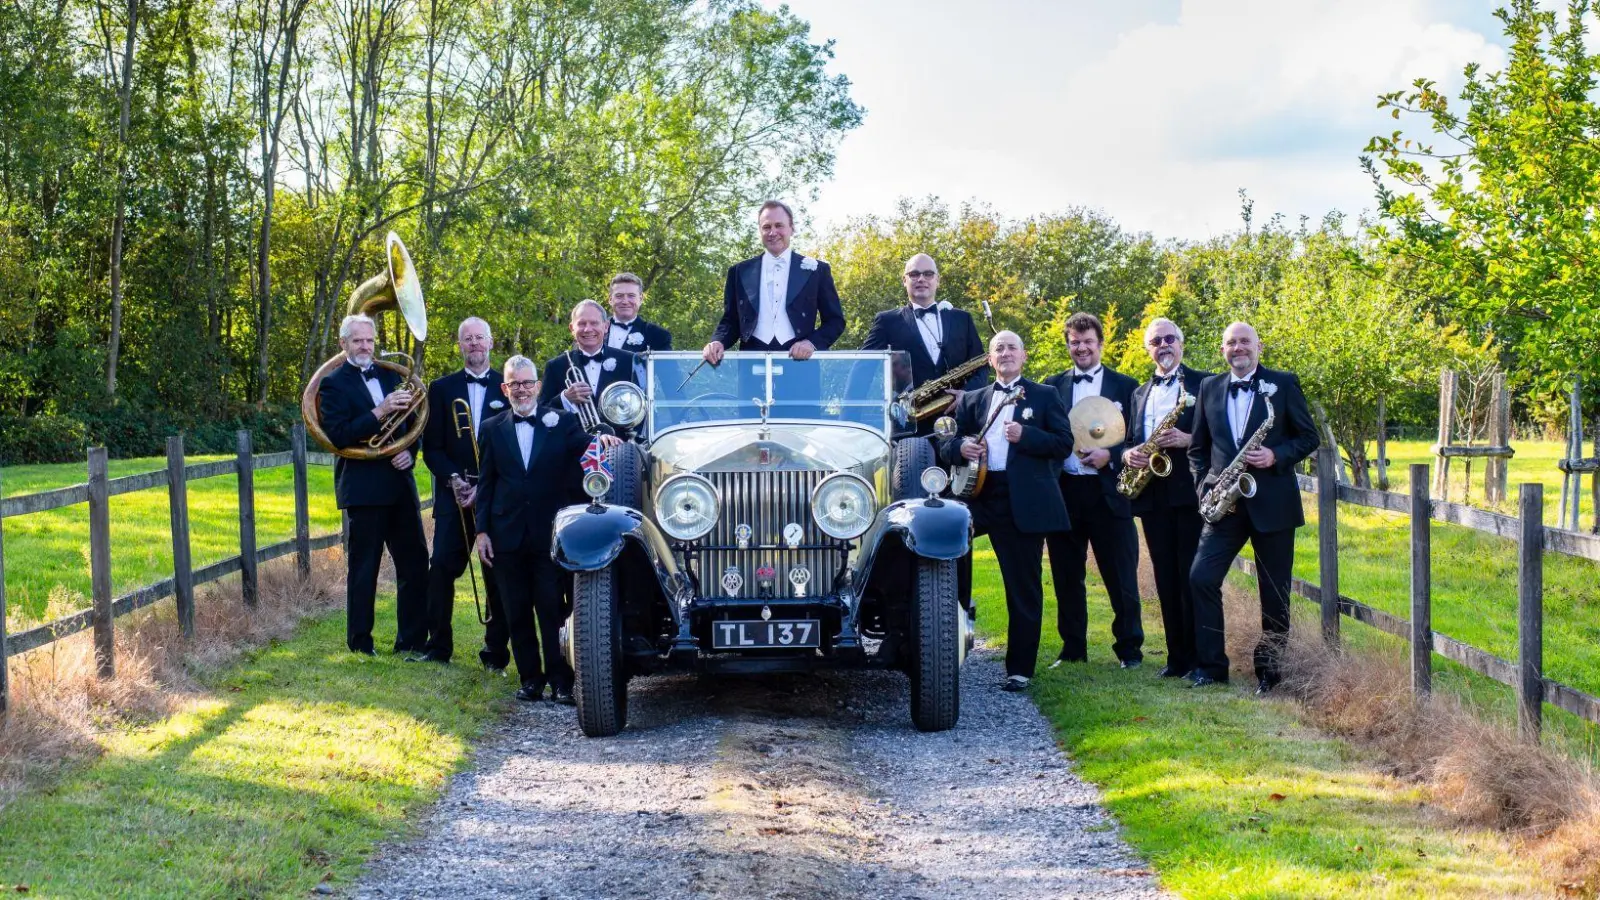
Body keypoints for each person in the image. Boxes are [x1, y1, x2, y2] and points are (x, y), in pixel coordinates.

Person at [475, 356, 619, 703]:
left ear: (538, 386)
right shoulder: (492, 427)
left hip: (550, 534)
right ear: (504, 388)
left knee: (553, 609)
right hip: (506, 534)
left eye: (527, 383)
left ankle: (562, 681)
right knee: (516, 609)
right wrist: (482, 532)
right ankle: (530, 680)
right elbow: (486, 482)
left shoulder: (563, 422)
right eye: (514, 384)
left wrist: (604, 443)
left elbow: (588, 446)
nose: (521, 390)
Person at [1186, 322, 1319, 694]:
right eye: (1231, 342)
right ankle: (1212, 667)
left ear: (1259, 346)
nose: (1238, 348)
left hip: (1273, 504)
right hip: (1224, 504)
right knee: (1201, 578)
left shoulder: (1284, 383)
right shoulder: (1208, 387)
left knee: (1274, 593)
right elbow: (1198, 449)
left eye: (1245, 341)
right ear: (1222, 349)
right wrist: (1203, 487)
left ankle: (1269, 672)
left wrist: (1276, 454)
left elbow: (1309, 437)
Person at [937, 331, 1072, 692]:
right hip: (977, 497)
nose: (1006, 353)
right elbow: (948, 443)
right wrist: (960, 447)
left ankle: (1019, 669)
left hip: (1022, 500)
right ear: (991, 360)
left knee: (1022, 587)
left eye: (1012, 347)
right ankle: (950, 647)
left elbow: (1063, 444)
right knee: (946, 566)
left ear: (1024, 356)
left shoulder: (1045, 395)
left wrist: (1025, 436)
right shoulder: (974, 400)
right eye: (999, 349)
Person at [317, 313, 430, 656]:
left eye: (369, 340)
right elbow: (337, 435)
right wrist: (380, 411)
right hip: (363, 488)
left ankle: (410, 641)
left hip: (399, 483)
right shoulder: (332, 384)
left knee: (414, 564)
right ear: (343, 344)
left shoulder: (389, 375)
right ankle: (360, 643)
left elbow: (414, 424)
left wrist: (410, 452)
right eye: (357, 341)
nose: (365, 346)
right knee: (364, 567)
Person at [1042, 312, 1144, 669]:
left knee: (1121, 574)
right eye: (1075, 342)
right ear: (1068, 345)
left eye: (1088, 341)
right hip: (1065, 492)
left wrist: (1111, 455)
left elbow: (1137, 438)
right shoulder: (1052, 386)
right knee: (1067, 576)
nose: (1081, 348)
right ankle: (1072, 650)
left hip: (1109, 492)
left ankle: (1130, 650)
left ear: (1101, 344)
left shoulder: (1127, 386)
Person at [416, 316, 509, 667]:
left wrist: (484, 485)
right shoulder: (440, 388)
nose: (474, 344)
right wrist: (454, 479)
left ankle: (495, 653)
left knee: (496, 574)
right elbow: (432, 448)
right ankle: (438, 647)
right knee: (440, 567)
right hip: (455, 494)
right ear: (460, 345)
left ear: (490, 342)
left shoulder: (507, 385)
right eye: (467, 339)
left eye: (479, 338)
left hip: (495, 495)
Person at [1122, 318, 1208, 679]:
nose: (1164, 345)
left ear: (1182, 344)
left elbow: (1221, 433)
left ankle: (1199, 658)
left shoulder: (1204, 383)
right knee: (1165, 577)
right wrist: (1129, 455)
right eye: (1156, 341)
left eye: (1170, 338)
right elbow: (1128, 439)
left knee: (1190, 576)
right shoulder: (1140, 393)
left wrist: (1189, 439)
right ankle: (1176, 660)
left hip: (1188, 493)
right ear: (1148, 349)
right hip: (1152, 494)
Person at [701, 200, 845, 364]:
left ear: (792, 228)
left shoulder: (817, 271)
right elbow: (730, 320)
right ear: (760, 230)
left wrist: (811, 343)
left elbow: (835, 321)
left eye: (779, 225)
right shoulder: (739, 272)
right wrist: (718, 341)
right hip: (752, 364)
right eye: (767, 227)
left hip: (801, 366)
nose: (773, 232)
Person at [861, 252, 989, 435]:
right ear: (904, 280)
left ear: (938, 280)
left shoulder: (963, 319)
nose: (921, 279)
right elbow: (863, 367)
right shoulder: (886, 321)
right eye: (914, 274)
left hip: (959, 422)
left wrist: (967, 395)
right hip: (909, 427)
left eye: (928, 274)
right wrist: (848, 417)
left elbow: (982, 366)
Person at [539, 299, 642, 435]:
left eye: (594, 323)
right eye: (581, 324)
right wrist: (565, 398)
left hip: (620, 449)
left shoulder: (630, 361)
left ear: (606, 326)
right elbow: (541, 413)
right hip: (573, 450)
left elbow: (644, 406)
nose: (587, 329)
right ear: (572, 328)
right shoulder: (555, 366)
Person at [604, 272, 672, 352]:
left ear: (641, 299)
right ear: (610, 299)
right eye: (619, 296)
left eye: (631, 296)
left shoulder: (658, 335)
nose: (625, 301)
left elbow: (667, 364)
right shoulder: (595, 330)